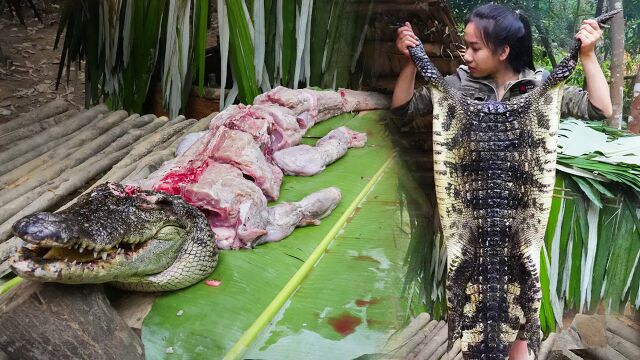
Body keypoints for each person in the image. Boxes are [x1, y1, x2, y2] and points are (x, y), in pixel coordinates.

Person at [391, 3, 612, 360]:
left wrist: (586, 55)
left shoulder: (536, 86)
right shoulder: (456, 86)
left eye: (474, 47)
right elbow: (403, 108)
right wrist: (410, 61)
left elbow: (601, 110)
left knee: (520, 306)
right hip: (468, 221)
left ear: (503, 50)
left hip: (520, 220)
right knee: (471, 309)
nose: (467, 54)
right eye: (466, 46)